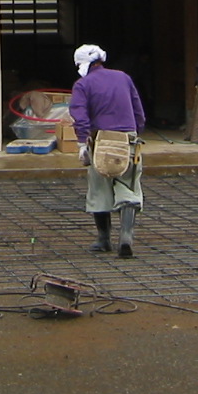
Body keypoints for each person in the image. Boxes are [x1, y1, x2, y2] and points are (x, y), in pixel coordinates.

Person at [68, 43, 145, 257]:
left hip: (101, 140)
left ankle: (103, 240)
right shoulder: (123, 77)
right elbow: (138, 108)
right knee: (129, 186)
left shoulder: (83, 85)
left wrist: (83, 143)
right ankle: (126, 237)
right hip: (127, 139)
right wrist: (137, 133)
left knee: (100, 188)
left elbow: (79, 115)